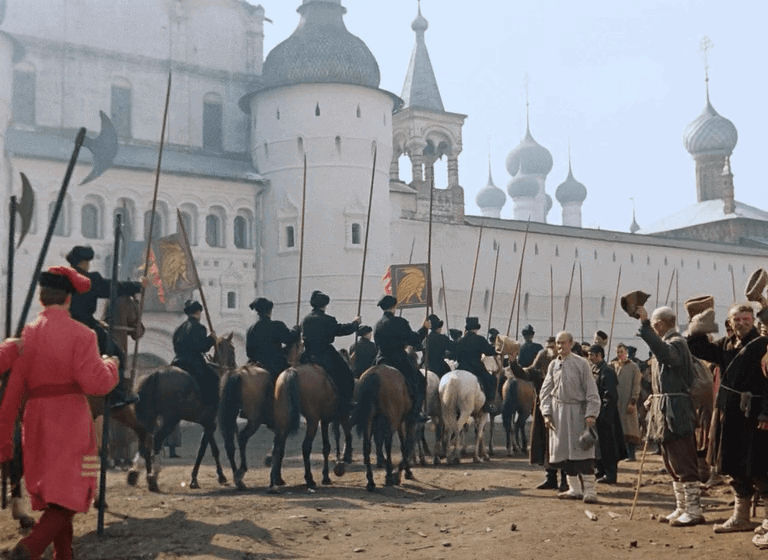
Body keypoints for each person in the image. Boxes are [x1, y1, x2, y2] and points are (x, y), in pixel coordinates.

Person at [0, 265, 119, 560]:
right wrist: (111, 365)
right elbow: (96, 384)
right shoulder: (83, 334)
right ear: (68, 298)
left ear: (41, 298)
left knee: (57, 496)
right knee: (71, 494)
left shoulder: (26, 334)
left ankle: (64, 555)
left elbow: (13, 391)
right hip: (70, 420)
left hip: (35, 421)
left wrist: (5, 438)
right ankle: (31, 547)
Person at [687, 302, 768, 533]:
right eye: (737, 319)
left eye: (746, 319)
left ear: (753, 321)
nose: (741, 323)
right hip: (728, 415)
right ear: (730, 322)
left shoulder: (763, 344)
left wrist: (766, 412)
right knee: (733, 465)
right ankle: (741, 517)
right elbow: (697, 348)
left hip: (755, 416)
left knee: (759, 467)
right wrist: (699, 321)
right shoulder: (725, 344)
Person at [636, 305, 703, 527]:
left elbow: (665, 355)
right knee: (671, 462)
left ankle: (694, 510)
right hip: (664, 409)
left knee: (682, 459)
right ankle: (682, 507)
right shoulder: (668, 343)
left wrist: (644, 326)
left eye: (653, 326)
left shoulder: (677, 343)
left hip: (677, 410)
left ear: (659, 324)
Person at [66, 245, 144, 408]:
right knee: (117, 354)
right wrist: (138, 285)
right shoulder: (89, 279)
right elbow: (114, 287)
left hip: (64, 324)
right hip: (85, 326)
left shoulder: (63, 278)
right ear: (85, 262)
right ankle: (118, 396)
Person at [539, 331, 600, 504]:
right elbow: (545, 391)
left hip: (578, 413)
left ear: (571, 344)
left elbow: (591, 391)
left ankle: (590, 490)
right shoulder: (553, 365)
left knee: (582, 452)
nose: (560, 346)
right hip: (558, 414)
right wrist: (547, 414)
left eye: (563, 343)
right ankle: (574, 489)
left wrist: (591, 414)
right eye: (558, 343)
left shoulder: (581, 363)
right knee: (564, 453)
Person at [300, 290, 360, 418]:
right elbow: (341, 330)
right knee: (347, 375)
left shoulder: (305, 319)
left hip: (307, 354)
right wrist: (355, 323)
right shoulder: (328, 320)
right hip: (325, 354)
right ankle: (346, 404)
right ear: (325, 305)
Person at [373, 295, 429, 423]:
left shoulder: (377, 324)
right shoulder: (399, 322)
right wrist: (424, 328)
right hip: (398, 359)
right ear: (394, 307)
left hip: (380, 359)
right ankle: (416, 412)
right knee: (420, 381)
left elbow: (377, 345)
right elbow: (414, 340)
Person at [587, 344, 626, 484]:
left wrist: (604, 414)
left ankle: (610, 474)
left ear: (599, 355)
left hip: (606, 416)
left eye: (592, 355)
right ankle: (600, 471)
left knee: (608, 446)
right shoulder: (593, 370)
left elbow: (610, 396)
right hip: (596, 414)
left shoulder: (607, 372)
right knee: (598, 446)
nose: (589, 358)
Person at [172, 299, 219, 408]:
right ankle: (209, 407)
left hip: (177, 361)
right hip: (194, 363)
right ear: (198, 312)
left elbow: (175, 346)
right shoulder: (199, 327)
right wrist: (211, 339)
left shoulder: (179, 329)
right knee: (214, 378)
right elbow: (202, 347)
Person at [246, 297, 301, 380]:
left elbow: (249, 353)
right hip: (275, 365)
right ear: (270, 311)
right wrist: (297, 329)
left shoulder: (250, 329)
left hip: (255, 364)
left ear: (257, 312)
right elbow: (290, 338)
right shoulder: (277, 326)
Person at [455, 317, 499, 414]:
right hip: (475, 367)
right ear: (476, 328)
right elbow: (489, 352)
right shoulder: (480, 339)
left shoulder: (461, 341)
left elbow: (457, 357)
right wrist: (498, 348)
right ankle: (488, 403)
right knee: (492, 379)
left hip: (461, 367)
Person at [613, 343, 643, 461]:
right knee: (619, 429)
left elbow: (636, 385)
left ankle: (631, 454)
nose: (620, 354)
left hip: (628, 402)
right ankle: (621, 454)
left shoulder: (633, 367)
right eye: (618, 352)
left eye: (622, 352)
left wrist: (633, 401)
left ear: (626, 352)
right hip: (617, 402)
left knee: (630, 428)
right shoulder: (614, 366)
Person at [424, 314, 454, 378]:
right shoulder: (442, 338)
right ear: (438, 327)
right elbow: (453, 348)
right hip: (438, 368)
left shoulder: (425, 338)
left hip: (425, 366)